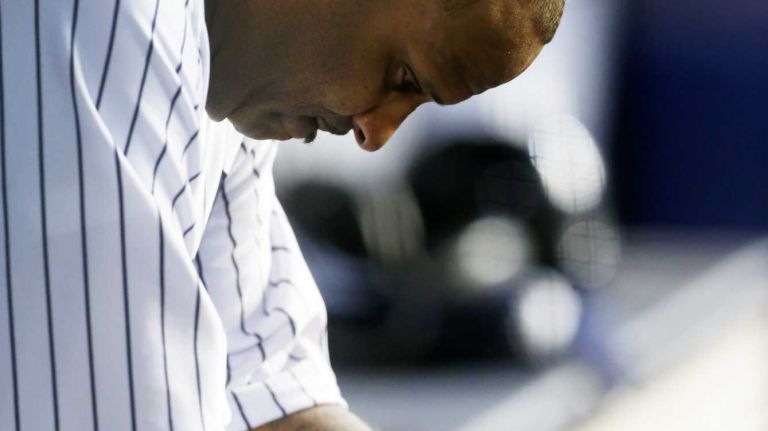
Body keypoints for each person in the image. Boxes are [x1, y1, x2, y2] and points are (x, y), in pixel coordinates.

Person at [0, 0, 564, 429]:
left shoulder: (233, 81)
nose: (376, 134)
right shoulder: (109, 23)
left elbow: (273, 395)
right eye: (404, 78)